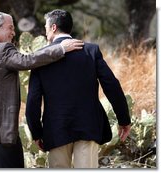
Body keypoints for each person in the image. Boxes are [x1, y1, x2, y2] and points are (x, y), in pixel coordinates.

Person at [0, 11, 84, 168]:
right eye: (10, 28)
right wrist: (60, 49)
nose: (13, 33)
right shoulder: (3, 50)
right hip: (2, 135)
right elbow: (28, 60)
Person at [25, 9, 131, 168]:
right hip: (88, 126)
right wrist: (124, 119)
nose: (45, 31)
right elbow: (111, 85)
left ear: (53, 27)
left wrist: (37, 133)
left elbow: (33, 100)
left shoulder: (41, 56)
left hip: (55, 129)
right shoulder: (91, 50)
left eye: (46, 27)